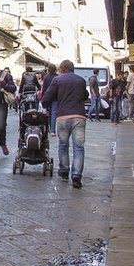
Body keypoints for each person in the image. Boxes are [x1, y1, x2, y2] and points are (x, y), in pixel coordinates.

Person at [41, 60, 88, 188]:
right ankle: (77, 175)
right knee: (79, 147)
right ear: (72, 69)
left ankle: (64, 171)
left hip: (63, 116)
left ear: (61, 69)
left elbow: (47, 97)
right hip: (79, 116)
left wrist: (46, 105)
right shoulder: (81, 80)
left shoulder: (57, 80)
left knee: (63, 145)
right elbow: (85, 96)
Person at [41, 64, 59, 135]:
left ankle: (48, 127)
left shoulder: (46, 77)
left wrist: (43, 98)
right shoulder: (57, 77)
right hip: (55, 97)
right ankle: (52, 130)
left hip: (47, 97)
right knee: (54, 113)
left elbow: (44, 88)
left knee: (48, 113)